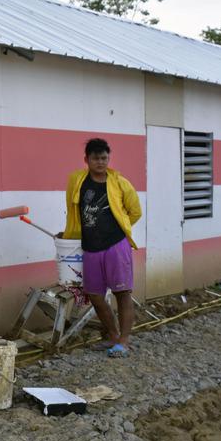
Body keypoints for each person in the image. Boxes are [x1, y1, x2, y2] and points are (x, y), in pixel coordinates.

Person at [61, 138, 142, 358]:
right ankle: (113, 336)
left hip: (116, 246)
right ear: (87, 159)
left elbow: (135, 212)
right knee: (95, 295)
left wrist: (117, 229)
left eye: (104, 158)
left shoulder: (120, 183)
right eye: (96, 158)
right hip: (90, 248)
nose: (100, 162)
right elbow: (73, 211)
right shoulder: (76, 181)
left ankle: (124, 341)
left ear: (109, 158)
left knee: (122, 293)